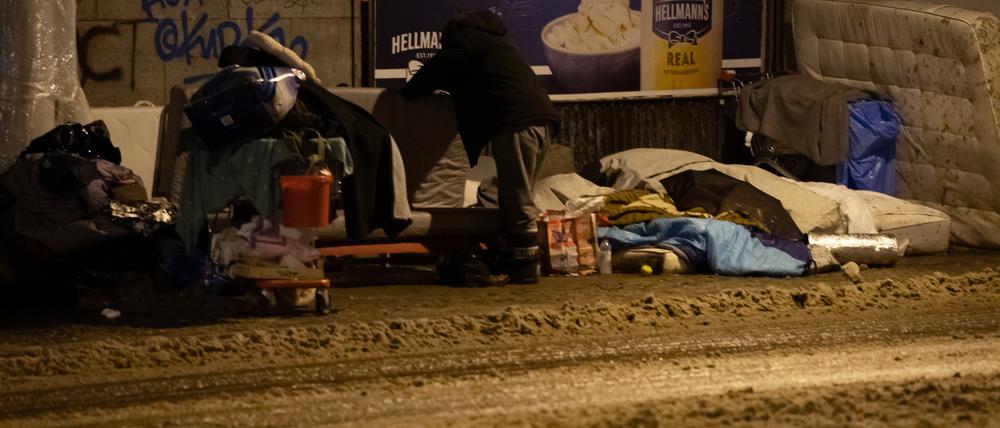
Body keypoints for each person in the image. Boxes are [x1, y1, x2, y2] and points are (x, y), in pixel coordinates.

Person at [401, 9, 559, 285]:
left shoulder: (466, 43)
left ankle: (526, 266)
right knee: (516, 194)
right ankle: (515, 257)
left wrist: (406, 94)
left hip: (516, 123)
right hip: (543, 119)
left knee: (517, 198)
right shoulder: (499, 43)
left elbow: (423, 81)